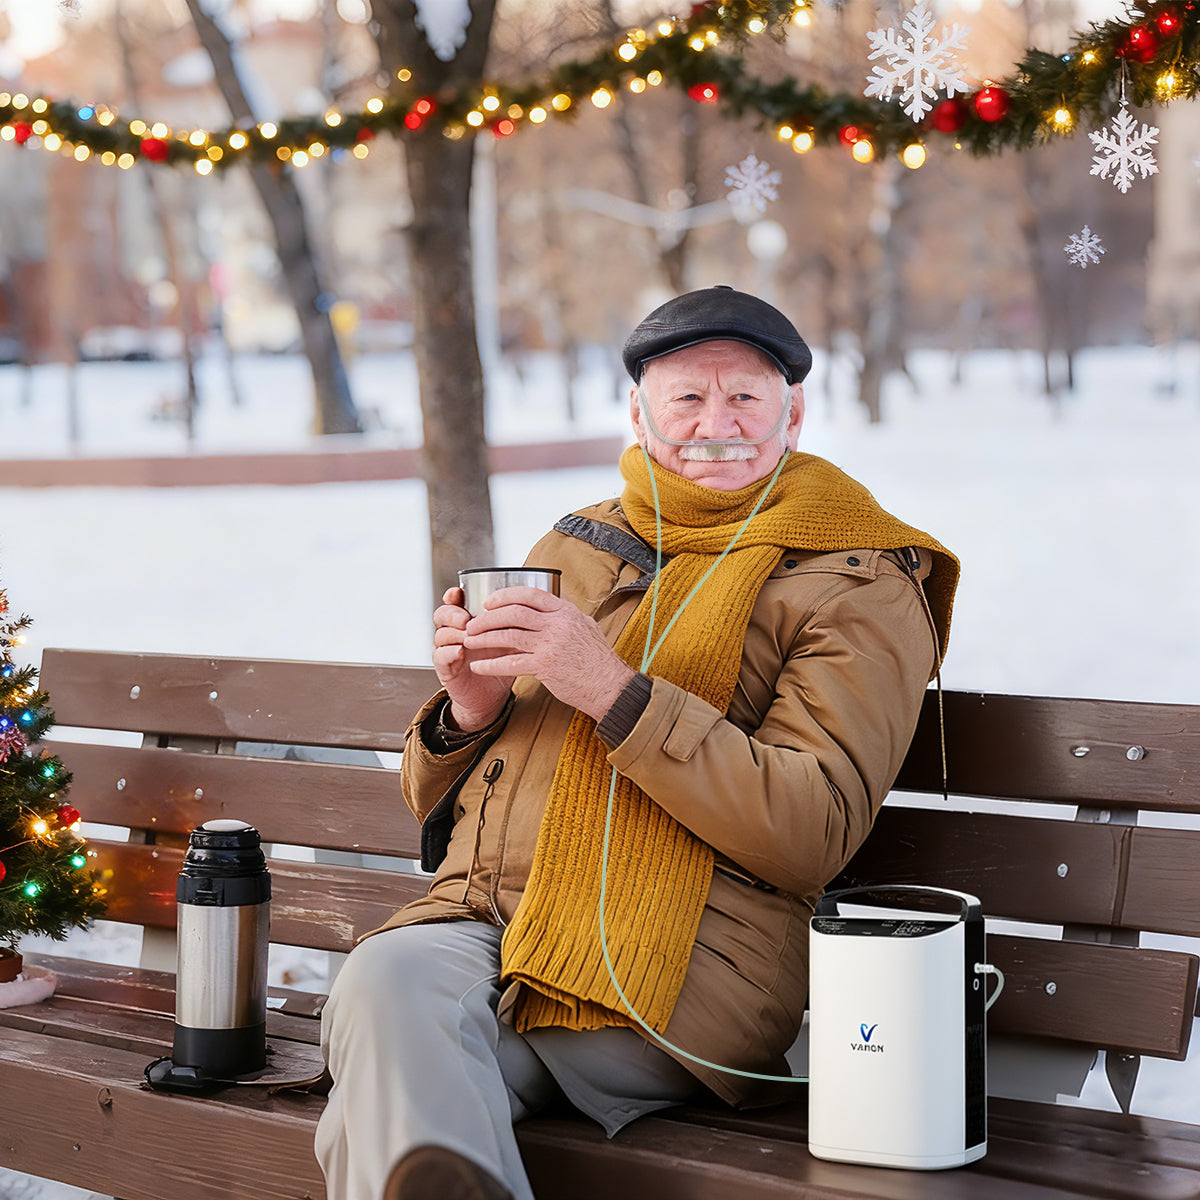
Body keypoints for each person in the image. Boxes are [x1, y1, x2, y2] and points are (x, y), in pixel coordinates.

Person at [315, 286, 959, 1200]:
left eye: (745, 397)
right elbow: (432, 806)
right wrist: (469, 714)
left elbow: (811, 828)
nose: (715, 424)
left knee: (384, 1062)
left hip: (675, 974)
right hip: (487, 930)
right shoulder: (580, 545)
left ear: (793, 415)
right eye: (686, 397)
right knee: (387, 994)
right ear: (639, 413)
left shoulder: (856, 580)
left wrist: (614, 694)